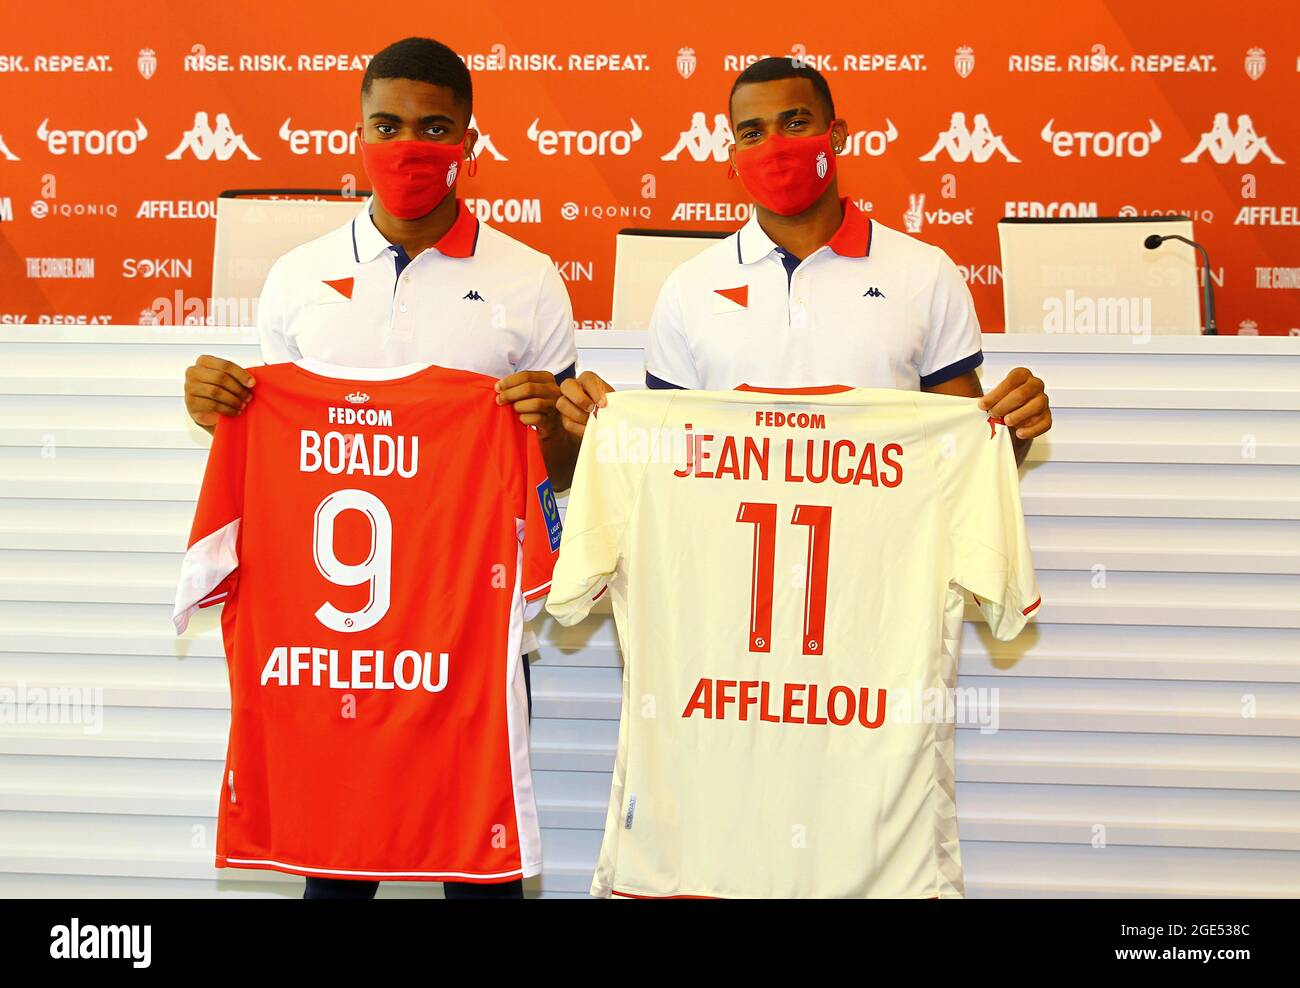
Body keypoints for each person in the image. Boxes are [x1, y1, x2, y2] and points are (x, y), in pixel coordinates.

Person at [182, 36, 579, 900]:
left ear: (471, 139)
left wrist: (549, 422)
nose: (410, 146)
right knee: (336, 872)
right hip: (332, 644)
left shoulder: (530, 279)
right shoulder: (297, 277)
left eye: (436, 127)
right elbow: (270, 445)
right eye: (388, 124)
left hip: (465, 626)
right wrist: (217, 408)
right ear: (358, 133)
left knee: (481, 866)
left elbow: (561, 467)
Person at [557, 56, 1052, 455]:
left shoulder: (924, 271)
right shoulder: (690, 286)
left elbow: (972, 448)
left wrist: (1015, 426)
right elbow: (665, 455)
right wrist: (601, 429)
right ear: (732, 157)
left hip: (885, 565)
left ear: (836, 136)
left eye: (795, 124)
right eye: (752, 133)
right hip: (730, 569)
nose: (773, 147)